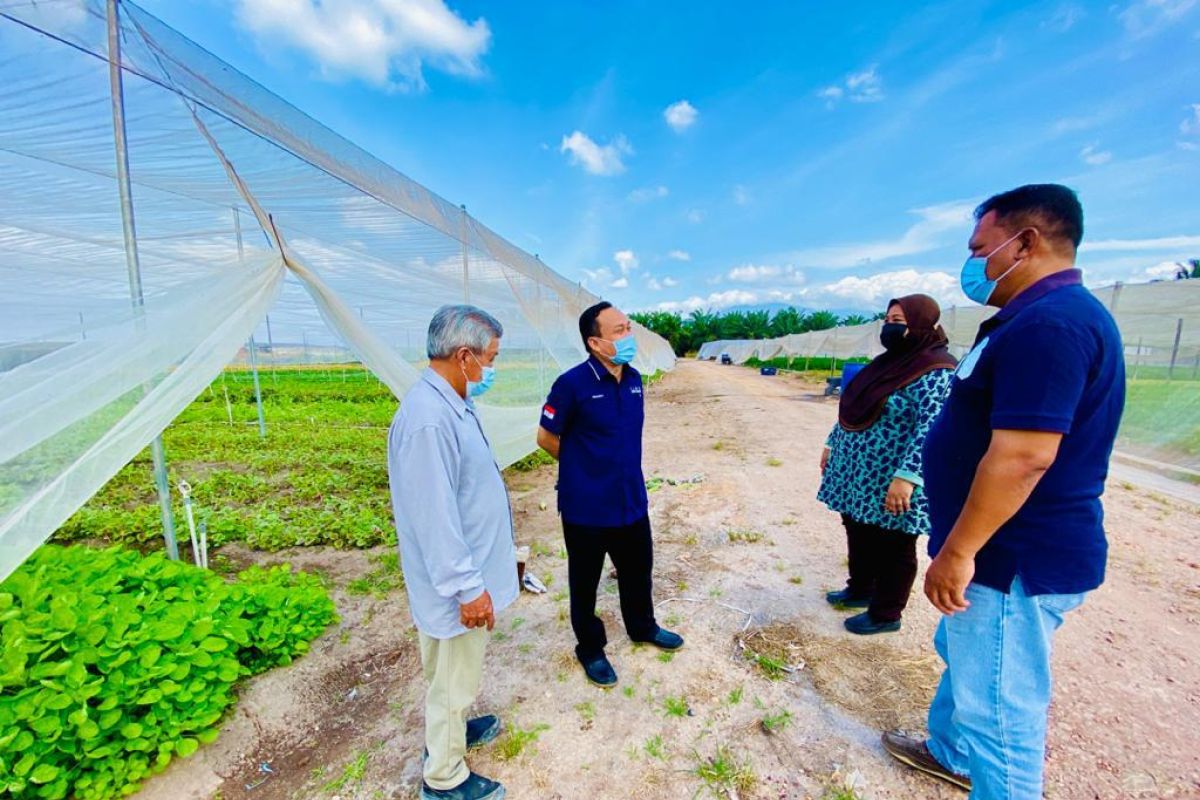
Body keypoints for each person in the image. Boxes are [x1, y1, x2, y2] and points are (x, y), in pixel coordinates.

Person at [882, 184, 1125, 800]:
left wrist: (959, 553)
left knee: (1001, 712)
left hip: (1009, 557)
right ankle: (949, 752)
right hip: (1002, 551)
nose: (973, 261)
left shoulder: (1052, 326)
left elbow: (1022, 458)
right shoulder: (1029, 320)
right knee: (969, 657)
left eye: (980, 247)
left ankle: (982, 765)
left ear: (1027, 242)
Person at [388, 305, 517, 800]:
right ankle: (444, 779)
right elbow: (435, 518)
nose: (492, 369)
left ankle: (451, 735)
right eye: (491, 358)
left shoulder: (450, 403)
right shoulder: (428, 419)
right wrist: (469, 587)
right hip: (454, 582)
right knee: (450, 681)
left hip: (462, 573)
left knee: (450, 672)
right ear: (465, 356)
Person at [536, 301, 683, 687]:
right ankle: (590, 647)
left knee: (638, 572)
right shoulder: (571, 385)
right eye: (619, 331)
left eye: (629, 327)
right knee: (585, 583)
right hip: (586, 507)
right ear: (596, 343)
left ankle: (642, 627)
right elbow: (546, 437)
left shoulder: (634, 380)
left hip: (631, 500)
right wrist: (582, 468)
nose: (629, 336)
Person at [817, 294, 957, 635]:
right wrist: (832, 441)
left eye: (899, 322)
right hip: (858, 472)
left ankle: (886, 613)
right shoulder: (885, 364)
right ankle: (861, 589)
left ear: (922, 325)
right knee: (858, 528)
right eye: (888, 320)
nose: (889, 328)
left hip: (892, 475)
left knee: (894, 541)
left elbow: (932, 428)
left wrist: (907, 477)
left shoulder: (935, 370)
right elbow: (855, 406)